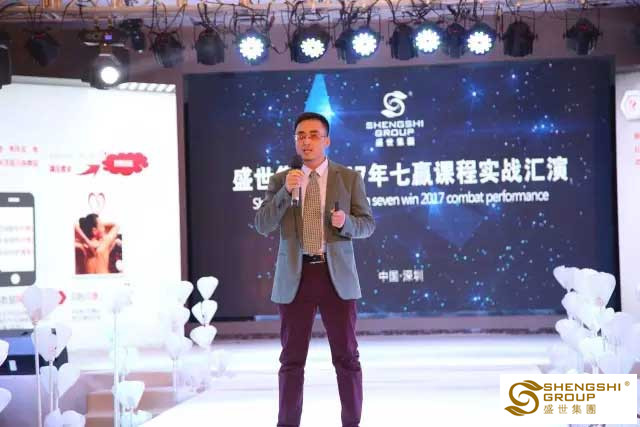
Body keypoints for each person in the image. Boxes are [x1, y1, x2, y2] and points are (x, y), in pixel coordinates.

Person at [255, 112, 375, 427]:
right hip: (296, 276)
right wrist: (285, 193)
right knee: (291, 360)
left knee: (347, 357)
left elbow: (367, 225)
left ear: (327, 140)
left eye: (313, 135)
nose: (306, 141)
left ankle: (352, 422)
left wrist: (346, 223)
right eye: (300, 136)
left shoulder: (348, 178)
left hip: (336, 278)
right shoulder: (281, 180)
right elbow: (262, 224)